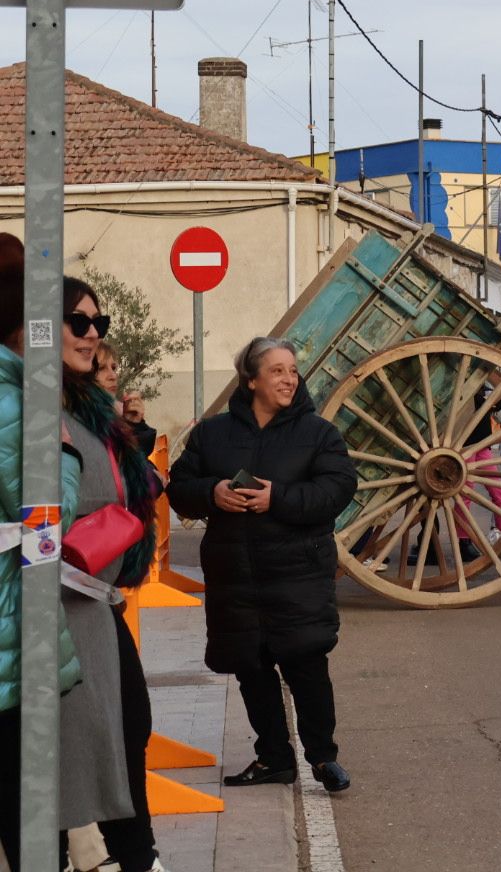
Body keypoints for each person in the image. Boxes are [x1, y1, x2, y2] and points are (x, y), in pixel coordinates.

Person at [169, 336, 359, 794]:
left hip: (297, 572)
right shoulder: (212, 434)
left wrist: (279, 497)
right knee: (251, 667)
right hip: (236, 573)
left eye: (292, 370)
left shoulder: (318, 433)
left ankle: (323, 757)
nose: (289, 378)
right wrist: (212, 492)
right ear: (251, 379)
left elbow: (338, 489)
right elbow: (179, 486)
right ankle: (273, 757)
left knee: (306, 663)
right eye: (277, 371)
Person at [56, 280, 163, 872]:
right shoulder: (43, 407)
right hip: (55, 599)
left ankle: (135, 855)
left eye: (99, 321)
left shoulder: (88, 408)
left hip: (94, 598)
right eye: (78, 320)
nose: (93, 332)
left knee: (127, 726)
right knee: (66, 747)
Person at [0, 237, 89, 871]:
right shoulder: (14, 405)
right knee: (29, 818)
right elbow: (42, 529)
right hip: (12, 639)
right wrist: (62, 453)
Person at [93, 342, 158, 456]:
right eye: (101, 368)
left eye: (113, 368)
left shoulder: (115, 415)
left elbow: (132, 460)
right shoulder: (78, 420)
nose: (113, 376)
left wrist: (133, 425)